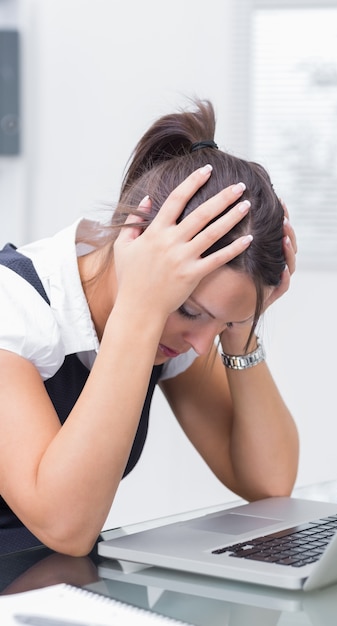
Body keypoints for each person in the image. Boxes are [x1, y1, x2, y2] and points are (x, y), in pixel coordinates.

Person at [0, 100, 298, 557]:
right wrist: (141, 307)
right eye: (193, 313)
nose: (201, 347)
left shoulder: (175, 329)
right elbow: (64, 526)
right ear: (136, 240)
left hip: (53, 588)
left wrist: (241, 326)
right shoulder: (13, 306)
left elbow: (270, 481)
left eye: (222, 323)